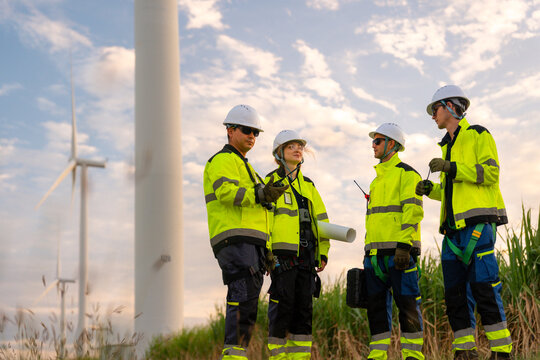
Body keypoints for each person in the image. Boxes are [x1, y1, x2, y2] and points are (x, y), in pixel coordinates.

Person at [416, 85, 512, 360]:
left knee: (484, 287)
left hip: (479, 225)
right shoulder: (447, 147)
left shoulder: (478, 134)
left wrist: (452, 168)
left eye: (434, 109)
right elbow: (453, 193)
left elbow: (491, 173)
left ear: (450, 107)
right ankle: (464, 352)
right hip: (452, 232)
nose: (433, 115)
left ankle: (502, 352)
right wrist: (430, 190)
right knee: (455, 294)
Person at [203, 104, 289, 359]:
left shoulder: (247, 167)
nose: (252, 136)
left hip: (250, 243)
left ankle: (236, 353)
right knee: (242, 297)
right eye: (247, 130)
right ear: (230, 131)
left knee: (249, 301)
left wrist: (268, 249)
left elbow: (261, 211)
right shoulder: (223, 160)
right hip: (234, 239)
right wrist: (260, 193)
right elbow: (226, 193)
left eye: (256, 133)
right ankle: (233, 355)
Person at [265, 130, 330, 360]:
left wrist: (323, 253)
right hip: (282, 258)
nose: (297, 149)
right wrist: (267, 252)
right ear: (279, 153)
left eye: (299, 146)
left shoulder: (309, 186)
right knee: (282, 309)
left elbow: (321, 221)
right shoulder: (270, 182)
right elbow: (264, 220)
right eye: (291, 146)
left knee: (304, 312)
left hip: (307, 258)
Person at [364, 123, 425, 360]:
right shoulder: (376, 181)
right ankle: (377, 356)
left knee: (408, 306)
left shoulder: (408, 174)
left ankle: (413, 356)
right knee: (377, 311)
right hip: (374, 256)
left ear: (392, 144)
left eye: (377, 141)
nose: (373, 145)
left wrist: (404, 246)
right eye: (373, 141)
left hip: (400, 253)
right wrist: (367, 251)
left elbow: (413, 212)